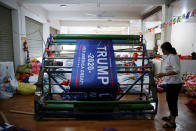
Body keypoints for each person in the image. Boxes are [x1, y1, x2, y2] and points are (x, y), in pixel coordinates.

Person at [156, 42, 182, 128]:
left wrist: (164, 74)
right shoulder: (169, 55)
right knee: (169, 100)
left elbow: (176, 70)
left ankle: (172, 122)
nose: (162, 52)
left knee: (172, 102)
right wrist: (155, 55)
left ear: (166, 50)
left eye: (162, 50)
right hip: (171, 83)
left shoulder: (173, 57)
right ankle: (171, 116)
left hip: (174, 84)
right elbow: (163, 56)